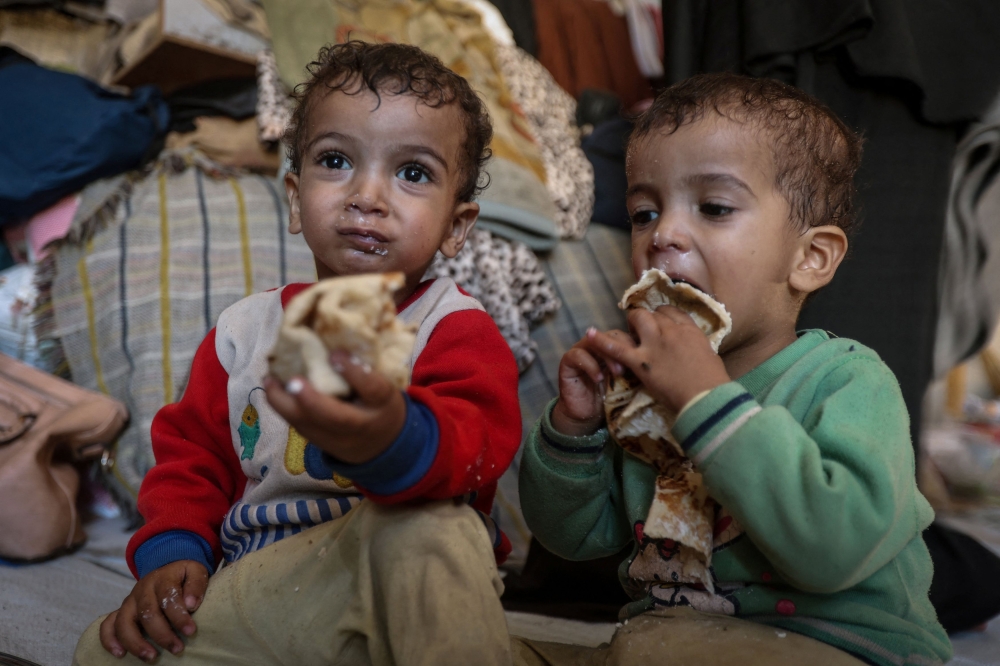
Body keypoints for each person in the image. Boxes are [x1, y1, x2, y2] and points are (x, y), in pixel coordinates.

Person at [74, 41, 520, 666]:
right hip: (263, 589)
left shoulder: (452, 328)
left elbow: (477, 447)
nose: (367, 195)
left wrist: (388, 436)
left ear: (455, 226)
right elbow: (192, 459)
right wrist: (174, 553)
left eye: (413, 173)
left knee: (433, 526)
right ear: (293, 196)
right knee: (104, 651)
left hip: (397, 582)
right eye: (336, 161)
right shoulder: (245, 331)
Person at [515, 73, 953, 666]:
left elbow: (833, 550)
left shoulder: (848, 381)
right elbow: (572, 537)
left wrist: (705, 399)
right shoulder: (645, 389)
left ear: (809, 258)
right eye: (644, 213)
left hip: (838, 648)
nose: (663, 235)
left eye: (714, 208)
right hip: (670, 639)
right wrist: (575, 430)